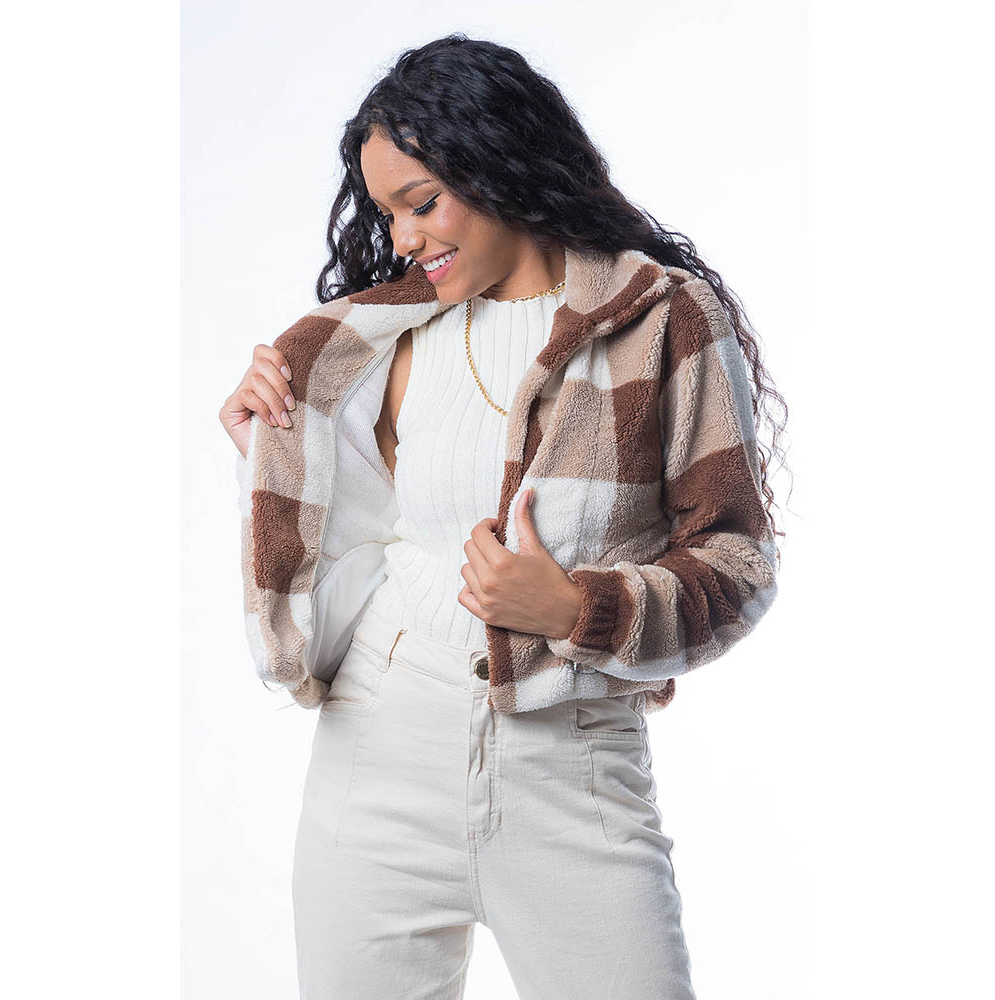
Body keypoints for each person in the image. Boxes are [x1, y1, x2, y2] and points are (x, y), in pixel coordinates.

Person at [218, 33, 787, 1000]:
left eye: (422, 202)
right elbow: (349, 546)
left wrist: (576, 609)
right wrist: (270, 447)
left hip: (573, 766)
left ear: (499, 165)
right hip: (377, 756)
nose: (403, 239)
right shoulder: (378, 338)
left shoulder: (661, 318)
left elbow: (738, 561)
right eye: (388, 213)